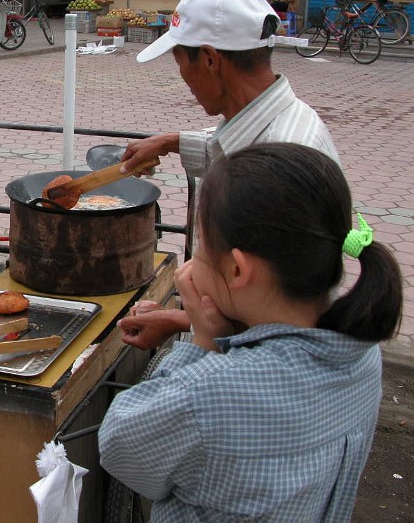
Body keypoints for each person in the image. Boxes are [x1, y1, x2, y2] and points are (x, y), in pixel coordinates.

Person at [100, 142, 402, 521]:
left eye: (203, 248)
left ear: (238, 270)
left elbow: (121, 450)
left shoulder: (211, 392)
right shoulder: (362, 350)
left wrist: (203, 345)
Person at [117, 0, 339, 351]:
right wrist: (170, 142)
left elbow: (272, 315)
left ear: (209, 59)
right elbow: (232, 147)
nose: (182, 77)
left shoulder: (283, 161)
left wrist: (182, 324)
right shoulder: (266, 118)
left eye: (179, 61)